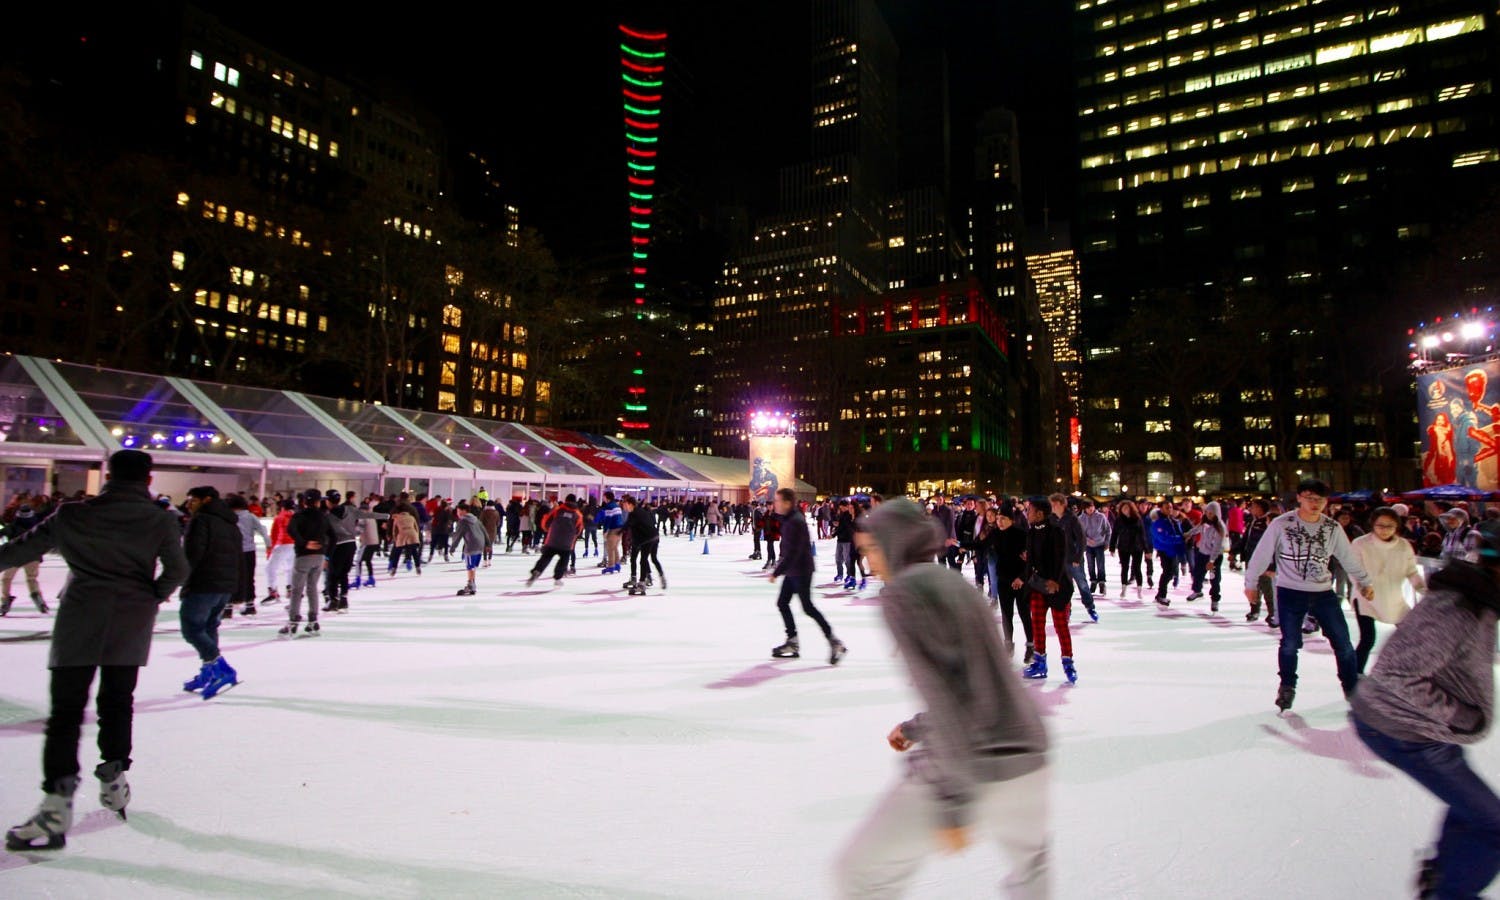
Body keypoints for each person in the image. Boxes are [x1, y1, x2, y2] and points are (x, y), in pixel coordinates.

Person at [836, 498, 1049, 898]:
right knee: (1031, 877)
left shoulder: (904, 594)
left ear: (894, 543)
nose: (868, 562)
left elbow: (950, 695)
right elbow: (979, 680)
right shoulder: (952, 583)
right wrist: (916, 727)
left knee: (860, 874)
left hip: (974, 764)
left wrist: (953, 800)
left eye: (872, 550)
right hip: (1028, 755)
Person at [2, 450, 188, 850]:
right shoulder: (160, 519)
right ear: (149, 478)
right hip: (130, 621)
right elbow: (178, 570)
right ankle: (115, 772)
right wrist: (151, 597)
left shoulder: (72, 514)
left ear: (109, 475)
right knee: (118, 701)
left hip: (81, 618)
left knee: (66, 714)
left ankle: (55, 807)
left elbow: (17, 551)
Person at [1351, 519, 1500, 900]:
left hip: (1423, 730)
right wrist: (1461, 716)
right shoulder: (1457, 608)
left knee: (1474, 809)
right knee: (1491, 824)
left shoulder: (1480, 601)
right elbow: (1395, 676)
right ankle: (1449, 892)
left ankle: (1443, 877)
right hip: (1402, 730)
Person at [1244, 478, 1374, 712]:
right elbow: (1262, 554)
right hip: (1290, 592)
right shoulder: (1282, 524)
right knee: (1290, 643)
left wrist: (1364, 581)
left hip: (1323, 592)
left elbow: (1347, 557)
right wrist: (1251, 583)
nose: (1315, 503)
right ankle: (1287, 686)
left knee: (1343, 643)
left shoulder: (1331, 527)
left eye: (1320, 499)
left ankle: (1351, 687)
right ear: (1300, 498)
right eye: (1310, 498)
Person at [769, 488, 846, 664]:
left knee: (807, 607)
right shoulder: (789, 518)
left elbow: (794, 552)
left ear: (787, 503)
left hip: (801, 571)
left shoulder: (795, 521)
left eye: (777, 500)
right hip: (793, 570)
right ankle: (792, 641)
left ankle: (834, 642)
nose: (775, 504)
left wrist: (777, 571)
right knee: (782, 603)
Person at [178, 487, 241, 700]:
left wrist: (183, 582)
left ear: (206, 500)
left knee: (191, 628)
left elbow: (193, 555)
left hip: (203, 583)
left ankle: (221, 668)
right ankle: (209, 672)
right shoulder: (230, 523)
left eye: (192, 500)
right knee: (208, 627)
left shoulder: (201, 521)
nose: (189, 504)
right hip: (224, 585)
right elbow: (238, 556)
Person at [1350, 507, 1424, 674]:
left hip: (1393, 598)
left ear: (1396, 526)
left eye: (1389, 526)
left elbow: (1411, 571)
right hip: (1367, 598)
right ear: (1373, 525)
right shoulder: (1360, 544)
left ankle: (1413, 670)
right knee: (1368, 638)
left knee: (1410, 634)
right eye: (1380, 525)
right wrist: (1363, 586)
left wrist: (1422, 588)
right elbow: (1354, 569)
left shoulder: (1403, 545)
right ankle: (1355, 674)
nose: (1384, 530)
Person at [1021, 498, 1076, 683]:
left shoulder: (1056, 531)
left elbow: (1061, 558)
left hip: (1057, 587)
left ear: (1040, 514)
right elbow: (1030, 561)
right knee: (1037, 624)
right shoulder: (1031, 533)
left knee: (1061, 626)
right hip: (1037, 586)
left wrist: (1055, 580)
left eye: (1030, 510)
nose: (1027, 513)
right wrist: (1027, 582)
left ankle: (1068, 662)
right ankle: (1040, 662)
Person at [283, 489, 333, 639]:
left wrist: (304, 543)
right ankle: (313, 620)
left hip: (303, 556)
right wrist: (327, 556)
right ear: (318, 502)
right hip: (319, 557)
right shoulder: (324, 517)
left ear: (304, 501)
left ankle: (293, 621)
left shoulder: (299, 516)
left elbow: (291, 530)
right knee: (312, 588)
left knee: (297, 590)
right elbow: (334, 537)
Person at [324, 491, 386, 612]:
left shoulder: (329, 516)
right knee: (343, 573)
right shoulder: (349, 510)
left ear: (328, 501)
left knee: (332, 574)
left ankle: (333, 600)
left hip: (337, 546)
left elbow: (330, 535)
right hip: (351, 544)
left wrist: (326, 556)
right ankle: (343, 599)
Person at [991, 503, 1035, 663]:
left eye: (1003, 519)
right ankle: (1008, 644)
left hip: (1021, 581)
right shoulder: (995, 533)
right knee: (1006, 614)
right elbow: (980, 544)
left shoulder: (1022, 534)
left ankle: (1031, 645)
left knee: (1024, 614)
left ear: (1011, 520)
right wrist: (959, 544)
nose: (999, 522)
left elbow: (1031, 561)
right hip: (1003, 579)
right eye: (997, 519)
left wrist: (1021, 578)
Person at [0, 501, 50, 615]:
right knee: (31, 578)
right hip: (33, 556)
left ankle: (5, 600)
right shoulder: (38, 525)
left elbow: (2, 532)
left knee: (6, 579)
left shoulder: (13, 526)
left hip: (14, 556)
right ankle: (37, 596)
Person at [1053, 494, 1097, 622]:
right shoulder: (1051, 519)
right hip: (1059, 561)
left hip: (1073, 559)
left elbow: (1082, 540)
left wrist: (1077, 558)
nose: (1053, 507)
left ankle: (1090, 607)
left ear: (1062, 505)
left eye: (1055, 504)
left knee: (1082, 584)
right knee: (1064, 587)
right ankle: (1067, 610)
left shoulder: (1072, 519)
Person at [526, 494, 582, 587]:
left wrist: (549, 531)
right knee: (563, 560)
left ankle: (537, 570)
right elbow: (578, 530)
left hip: (552, 540)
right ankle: (558, 578)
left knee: (545, 557)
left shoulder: (558, 510)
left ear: (565, 500)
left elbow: (546, 521)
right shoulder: (578, 515)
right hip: (567, 543)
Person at [225, 495, 267, 618]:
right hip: (249, 551)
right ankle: (250, 605)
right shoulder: (250, 516)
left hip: (233, 551)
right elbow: (262, 530)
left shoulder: (228, 517)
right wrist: (268, 544)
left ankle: (228, 608)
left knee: (231, 578)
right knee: (249, 578)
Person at [1184, 500, 1227, 612]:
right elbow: (1197, 528)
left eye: (1211, 513)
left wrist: (1212, 560)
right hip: (1202, 553)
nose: (1208, 515)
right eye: (1207, 512)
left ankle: (1215, 599)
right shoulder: (1204, 522)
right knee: (1198, 574)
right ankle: (1197, 591)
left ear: (1216, 514)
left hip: (1214, 557)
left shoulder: (1220, 527)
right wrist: (1189, 533)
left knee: (1214, 578)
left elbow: (1218, 546)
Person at [1242, 499, 1277, 625]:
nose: (1251, 509)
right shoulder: (1253, 521)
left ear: (1262, 508)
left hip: (1263, 561)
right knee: (1252, 586)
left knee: (1266, 588)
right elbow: (1246, 539)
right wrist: (1237, 550)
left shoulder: (1268, 523)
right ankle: (1254, 610)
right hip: (1251, 558)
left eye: (1254, 507)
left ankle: (1273, 613)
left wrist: (1270, 564)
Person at [621, 496, 666, 593]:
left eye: (624, 504)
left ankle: (642, 583)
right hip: (652, 537)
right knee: (645, 558)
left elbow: (628, 525)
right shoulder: (639, 511)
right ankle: (659, 577)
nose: (623, 506)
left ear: (630, 504)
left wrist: (617, 532)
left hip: (647, 539)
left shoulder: (635, 513)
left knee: (643, 560)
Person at [1109, 499, 1148, 600]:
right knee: (1124, 568)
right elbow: (1114, 534)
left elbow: (1143, 535)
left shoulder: (1137, 519)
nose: (1125, 510)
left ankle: (1139, 590)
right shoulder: (1119, 520)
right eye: (1123, 508)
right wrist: (1112, 547)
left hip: (1137, 547)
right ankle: (1123, 589)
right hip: (1123, 547)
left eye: (1127, 508)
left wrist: (1147, 549)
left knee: (1137, 568)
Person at [1150, 502, 1187, 607]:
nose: (1170, 509)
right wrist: (1180, 539)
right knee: (1168, 572)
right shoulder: (1158, 522)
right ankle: (1161, 595)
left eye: (1170, 507)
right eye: (1167, 507)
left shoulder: (1172, 520)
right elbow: (1163, 538)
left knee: (1171, 572)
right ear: (1161, 509)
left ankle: (1160, 595)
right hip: (1165, 550)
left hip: (1173, 549)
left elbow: (1177, 532)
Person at [448, 503, 488, 596]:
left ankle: (470, 585)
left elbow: (458, 535)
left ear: (463, 511)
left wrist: (453, 547)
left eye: (458, 511)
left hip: (471, 545)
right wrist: (487, 543)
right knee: (472, 567)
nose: (457, 513)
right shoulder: (475, 519)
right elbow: (484, 530)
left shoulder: (463, 521)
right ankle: (472, 585)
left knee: (470, 566)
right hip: (480, 544)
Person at [265, 499, 296, 605]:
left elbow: (274, 535)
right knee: (290, 568)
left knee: (270, 568)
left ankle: (273, 591)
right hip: (295, 545)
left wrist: (269, 550)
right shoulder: (297, 517)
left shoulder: (280, 517)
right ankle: (291, 588)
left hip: (282, 544)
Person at [1079, 499, 1111, 595]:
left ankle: (1102, 582)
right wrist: (1087, 540)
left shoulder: (1101, 517)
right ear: (1085, 508)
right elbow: (1080, 533)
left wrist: (1107, 542)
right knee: (1090, 564)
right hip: (1088, 546)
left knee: (1100, 564)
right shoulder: (1081, 518)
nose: (1091, 509)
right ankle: (1093, 581)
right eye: (1088, 508)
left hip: (1100, 544)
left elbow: (1108, 530)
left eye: (1092, 507)